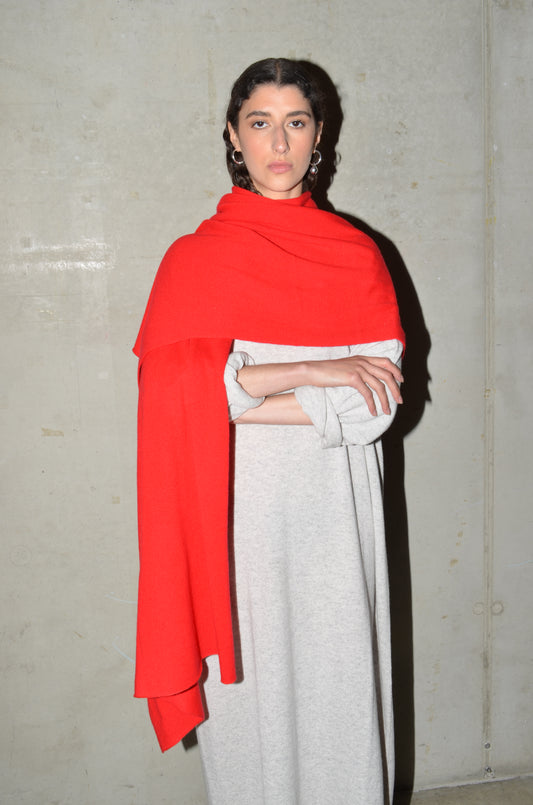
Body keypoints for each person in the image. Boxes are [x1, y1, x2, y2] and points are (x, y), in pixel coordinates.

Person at [133, 58, 405, 804]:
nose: (278, 143)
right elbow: (165, 398)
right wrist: (317, 371)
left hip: (335, 514)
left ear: (319, 136)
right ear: (233, 135)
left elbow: (375, 406)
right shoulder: (192, 261)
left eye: (295, 122)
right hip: (234, 515)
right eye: (260, 123)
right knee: (248, 702)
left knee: (340, 690)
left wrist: (234, 388)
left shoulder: (357, 255)